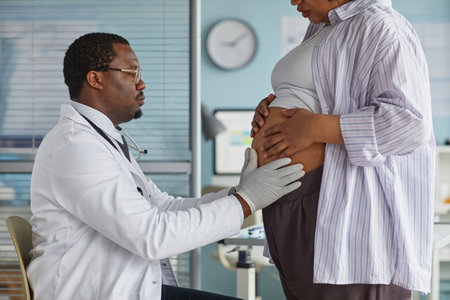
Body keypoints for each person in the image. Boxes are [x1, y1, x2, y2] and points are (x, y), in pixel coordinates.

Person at [27, 32, 305, 300]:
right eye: (132, 72)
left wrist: (238, 193)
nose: (141, 83)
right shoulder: (77, 147)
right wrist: (247, 200)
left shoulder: (100, 140)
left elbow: (163, 207)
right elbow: (151, 237)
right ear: (95, 79)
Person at [251, 0, 435, 299]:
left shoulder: (380, 26)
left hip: (338, 207)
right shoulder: (324, 27)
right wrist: (271, 107)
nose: (293, 0)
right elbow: (322, 97)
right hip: (293, 199)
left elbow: (409, 126)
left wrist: (313, 127)